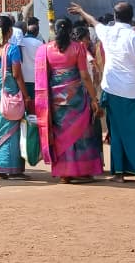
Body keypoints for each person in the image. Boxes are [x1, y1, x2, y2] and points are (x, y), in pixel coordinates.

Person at [70, 2, 135, 185]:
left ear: (115, 17)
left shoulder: (107, 32)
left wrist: (82, 10)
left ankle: (119, 173)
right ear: (131, 17)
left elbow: (93, 22)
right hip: (132, 91)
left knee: (116, 132)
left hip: (112, 89)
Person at [34, 19, 102, 183]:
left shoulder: (45, 49)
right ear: (71, 31)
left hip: (55, 99)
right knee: (81, 133)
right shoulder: (78, 48)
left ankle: (64, 173)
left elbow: (44, 76)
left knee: (60, 134)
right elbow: (85, 76)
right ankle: (82, 171)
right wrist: (94, 98)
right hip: (76, 98)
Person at [0, 15, 28, 180]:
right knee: (11, 129)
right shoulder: (13, 49)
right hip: (8, 91)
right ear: (9, 31)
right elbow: (17, 75)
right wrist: (26, 96)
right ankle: (13, 169)